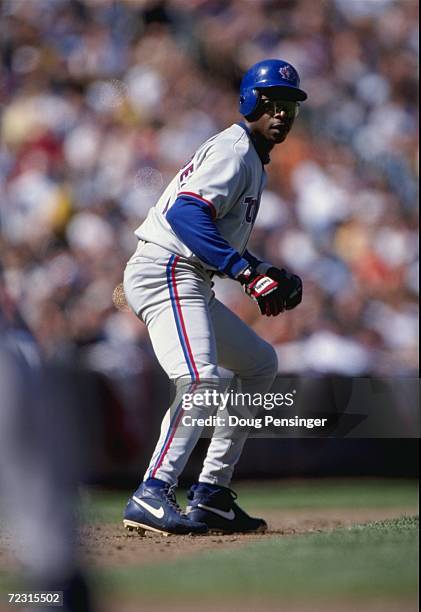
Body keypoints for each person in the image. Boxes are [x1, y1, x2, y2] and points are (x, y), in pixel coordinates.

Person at [122, 59, 307, 536]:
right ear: (248, 102)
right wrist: (246, 272)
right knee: (201, 382)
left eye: (288, 105)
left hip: (188, 274)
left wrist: (262, 270)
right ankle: (153, 490)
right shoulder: (236, 150)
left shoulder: (249, 155)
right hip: (167, 269)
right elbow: (187, 215)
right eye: (270, 102)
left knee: (259, 363)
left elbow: (216, 233)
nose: (281, 113)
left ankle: (212, 494)